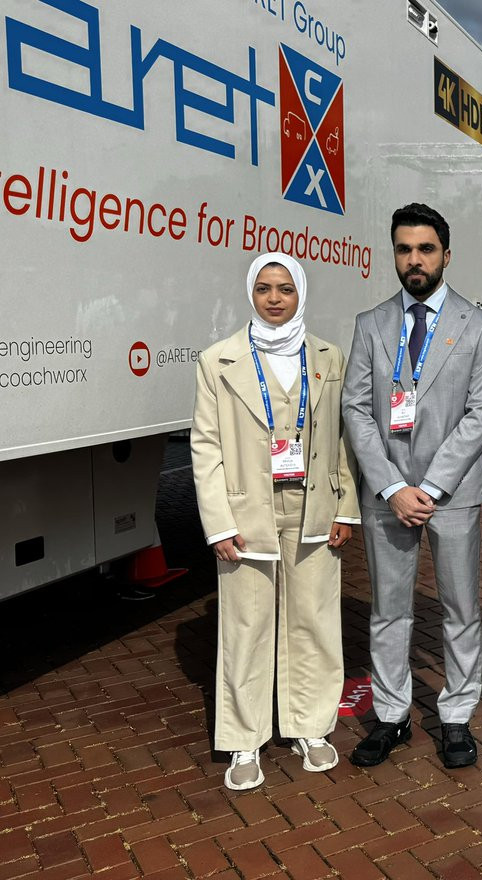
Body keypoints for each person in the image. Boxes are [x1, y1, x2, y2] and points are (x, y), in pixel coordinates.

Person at [191, 252, 360, 791]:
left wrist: (345, 506)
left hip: (314, 506)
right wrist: (218, 524)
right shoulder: (217, 360)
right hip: (248, 511)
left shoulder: (329, 356)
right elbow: (206, 445)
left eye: (285, 288)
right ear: (251, 293)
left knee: (315, 620)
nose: (274, 298)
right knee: (245, 625)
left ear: (300, 293)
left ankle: (311, 725)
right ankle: (244, 738)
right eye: (264, 288)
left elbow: (342, 437)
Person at [342, 203, 482, 770]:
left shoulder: (478, 326)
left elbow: (481, 415)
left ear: (446, 255)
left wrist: (430, 486)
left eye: (426, 249)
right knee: (389, 611)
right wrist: (391, 486)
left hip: (451, 495)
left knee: (460, 609)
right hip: (388, 495)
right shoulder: (370, 324)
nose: (415, 259)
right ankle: (392, 716)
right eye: (404, 249)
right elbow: (356, 409)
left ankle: (456, 716)